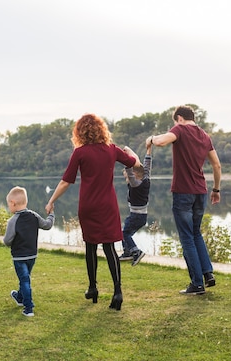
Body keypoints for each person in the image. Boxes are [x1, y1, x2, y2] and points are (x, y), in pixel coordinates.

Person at [45, 113, 138, 311]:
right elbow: (134, 164)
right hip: (108, 206)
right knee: (110, 248)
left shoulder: (80, 153)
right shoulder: (112, 150)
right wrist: (136, 155)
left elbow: (66, 181)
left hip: (88, 206)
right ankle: (117, 291)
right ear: (101, 130)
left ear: (80, 132)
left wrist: (51, 200)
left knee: (90, 247)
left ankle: (93, 288)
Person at [147, 105, 222, 295]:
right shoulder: (205, 136)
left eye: (175, 122)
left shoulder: (179, 129)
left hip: (183, 192)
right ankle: (207, 273)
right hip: (201, 191)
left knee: (187, 238)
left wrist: (151, 139)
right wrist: (216, 189)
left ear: (179, 118)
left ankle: (197, 284)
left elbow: (162, 142)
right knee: (196, 233)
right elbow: (217, 165)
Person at [3, 185, 55, 317]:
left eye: (8, 204)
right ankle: (19, 297)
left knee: (24, 280)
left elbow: (7, 240)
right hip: (32, 255)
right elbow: (47, 225)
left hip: (19, 257)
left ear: (13, 203)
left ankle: (28, 308)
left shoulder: (12, 221)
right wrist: (51, 214)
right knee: (24, 278)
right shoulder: (34, 215)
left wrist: (10, 241)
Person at [118, 144, 152, 266]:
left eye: (126, 177)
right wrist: (148, 150)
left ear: (134, 175)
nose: (127, 179)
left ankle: (135, 251)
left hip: (136, 216)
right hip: (142, 216)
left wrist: (127, 160)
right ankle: (127, 252)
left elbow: (130, 173)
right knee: (125, 232)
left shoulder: (136, 184)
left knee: (124, 233)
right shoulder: (146, 179)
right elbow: (146, 166)